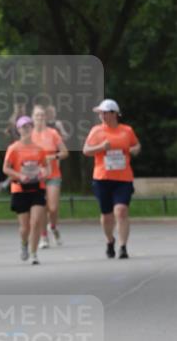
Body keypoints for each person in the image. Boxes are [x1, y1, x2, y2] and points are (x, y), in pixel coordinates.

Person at [83, 99, 141, 259]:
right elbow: (86, 150)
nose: (101, 116)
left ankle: (123, 247)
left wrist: (133, 150)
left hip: (123, 178)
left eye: (104, 113)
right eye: (100, 113)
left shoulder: (126, 130)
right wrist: (101, 147)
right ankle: (110, 240)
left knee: (121, 211)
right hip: (102, 178)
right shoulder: (96, 131)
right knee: (107, 215)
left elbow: (136, 145)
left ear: (114, 114)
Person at [3, 115, 49, 264]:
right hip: (20, 189)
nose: (26, 129)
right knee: (25, 227)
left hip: (37, 188)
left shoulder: (39, 149)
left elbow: (46, 167)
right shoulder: (14, 148)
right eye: (23, 127)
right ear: (18, 130)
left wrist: (43, 174)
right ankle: (24, 244)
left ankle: (34, 253)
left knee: (36, 222)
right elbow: (6, 169)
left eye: (29, 126)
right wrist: (19, 175)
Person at [31, 105, 69, 247]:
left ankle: (52, 226)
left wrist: (53, 157)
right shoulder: (29, 135)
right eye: (37, 115)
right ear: (32, 118)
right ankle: (44, 237)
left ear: (46, 118)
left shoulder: (53, 133)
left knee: (52, 207)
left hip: (53, 174)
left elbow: (65, 152)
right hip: (36, 176)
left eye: (42, 115)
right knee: (41, 207)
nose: (40, 118)